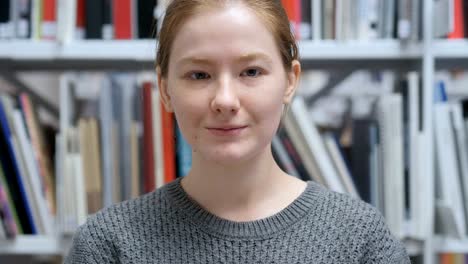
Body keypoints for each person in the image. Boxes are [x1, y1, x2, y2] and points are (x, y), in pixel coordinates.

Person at [65, 0, 411, 263]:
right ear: (165, 89)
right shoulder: (108, 246)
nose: (225, 100)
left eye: (251, 72)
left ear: (290, 81)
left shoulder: (360, 240)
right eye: (199, 75)